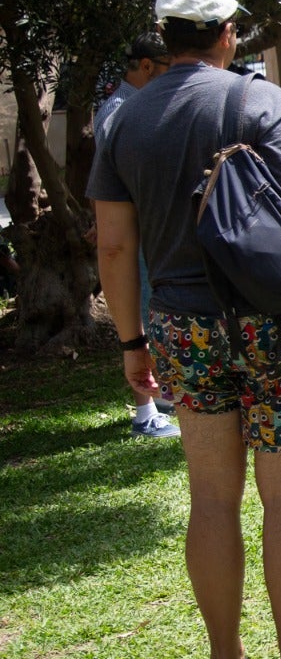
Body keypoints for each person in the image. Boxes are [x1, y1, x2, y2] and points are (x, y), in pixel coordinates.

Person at [89, 0, 281, 659]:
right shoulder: (256, 99)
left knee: (210, 498)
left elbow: (113, 247)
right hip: (274, 321)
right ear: (228, 32)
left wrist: (131, 343)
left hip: (182, 326)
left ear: (164, 33)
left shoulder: (124, 120)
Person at [94, 32, 178, 438]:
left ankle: (162, 398)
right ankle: (147, 412)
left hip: (149, 229)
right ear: (147, 67)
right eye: (167, 67)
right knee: (140, 315)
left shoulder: (133, 106)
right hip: (135, 232)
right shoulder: (120, 112)